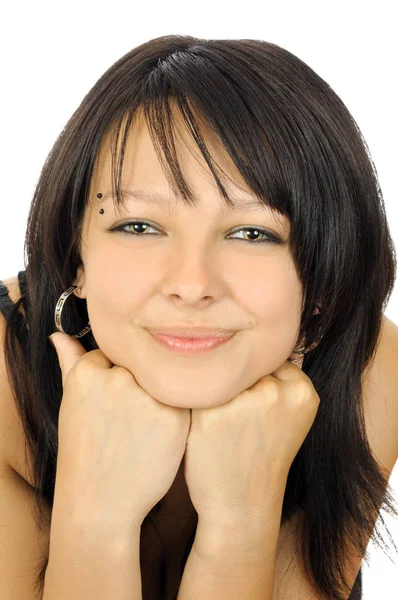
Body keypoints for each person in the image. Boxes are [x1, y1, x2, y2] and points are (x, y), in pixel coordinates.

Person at [1, 34, 397, 600]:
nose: (191, 285)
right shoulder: (4, 384)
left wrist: (240, 522)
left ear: (322, 277)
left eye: (252, 232)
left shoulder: (370, 374)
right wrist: (97, 519)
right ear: (74, 258)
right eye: (138, 226)